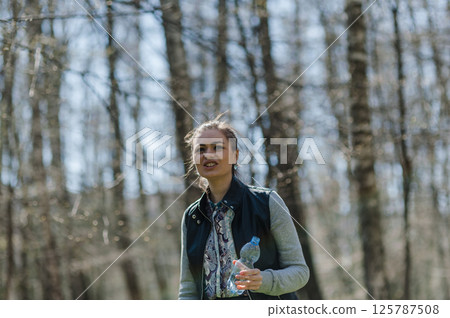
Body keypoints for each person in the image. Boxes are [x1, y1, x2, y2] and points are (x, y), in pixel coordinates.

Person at [178, 117, 309, 300]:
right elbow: (188, 289)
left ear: (235, 155)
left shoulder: (268, 202)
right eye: (200, 149)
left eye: (217, 148)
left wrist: (264, 280)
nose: (207, 155)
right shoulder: (191, 217)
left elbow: (300, 272)